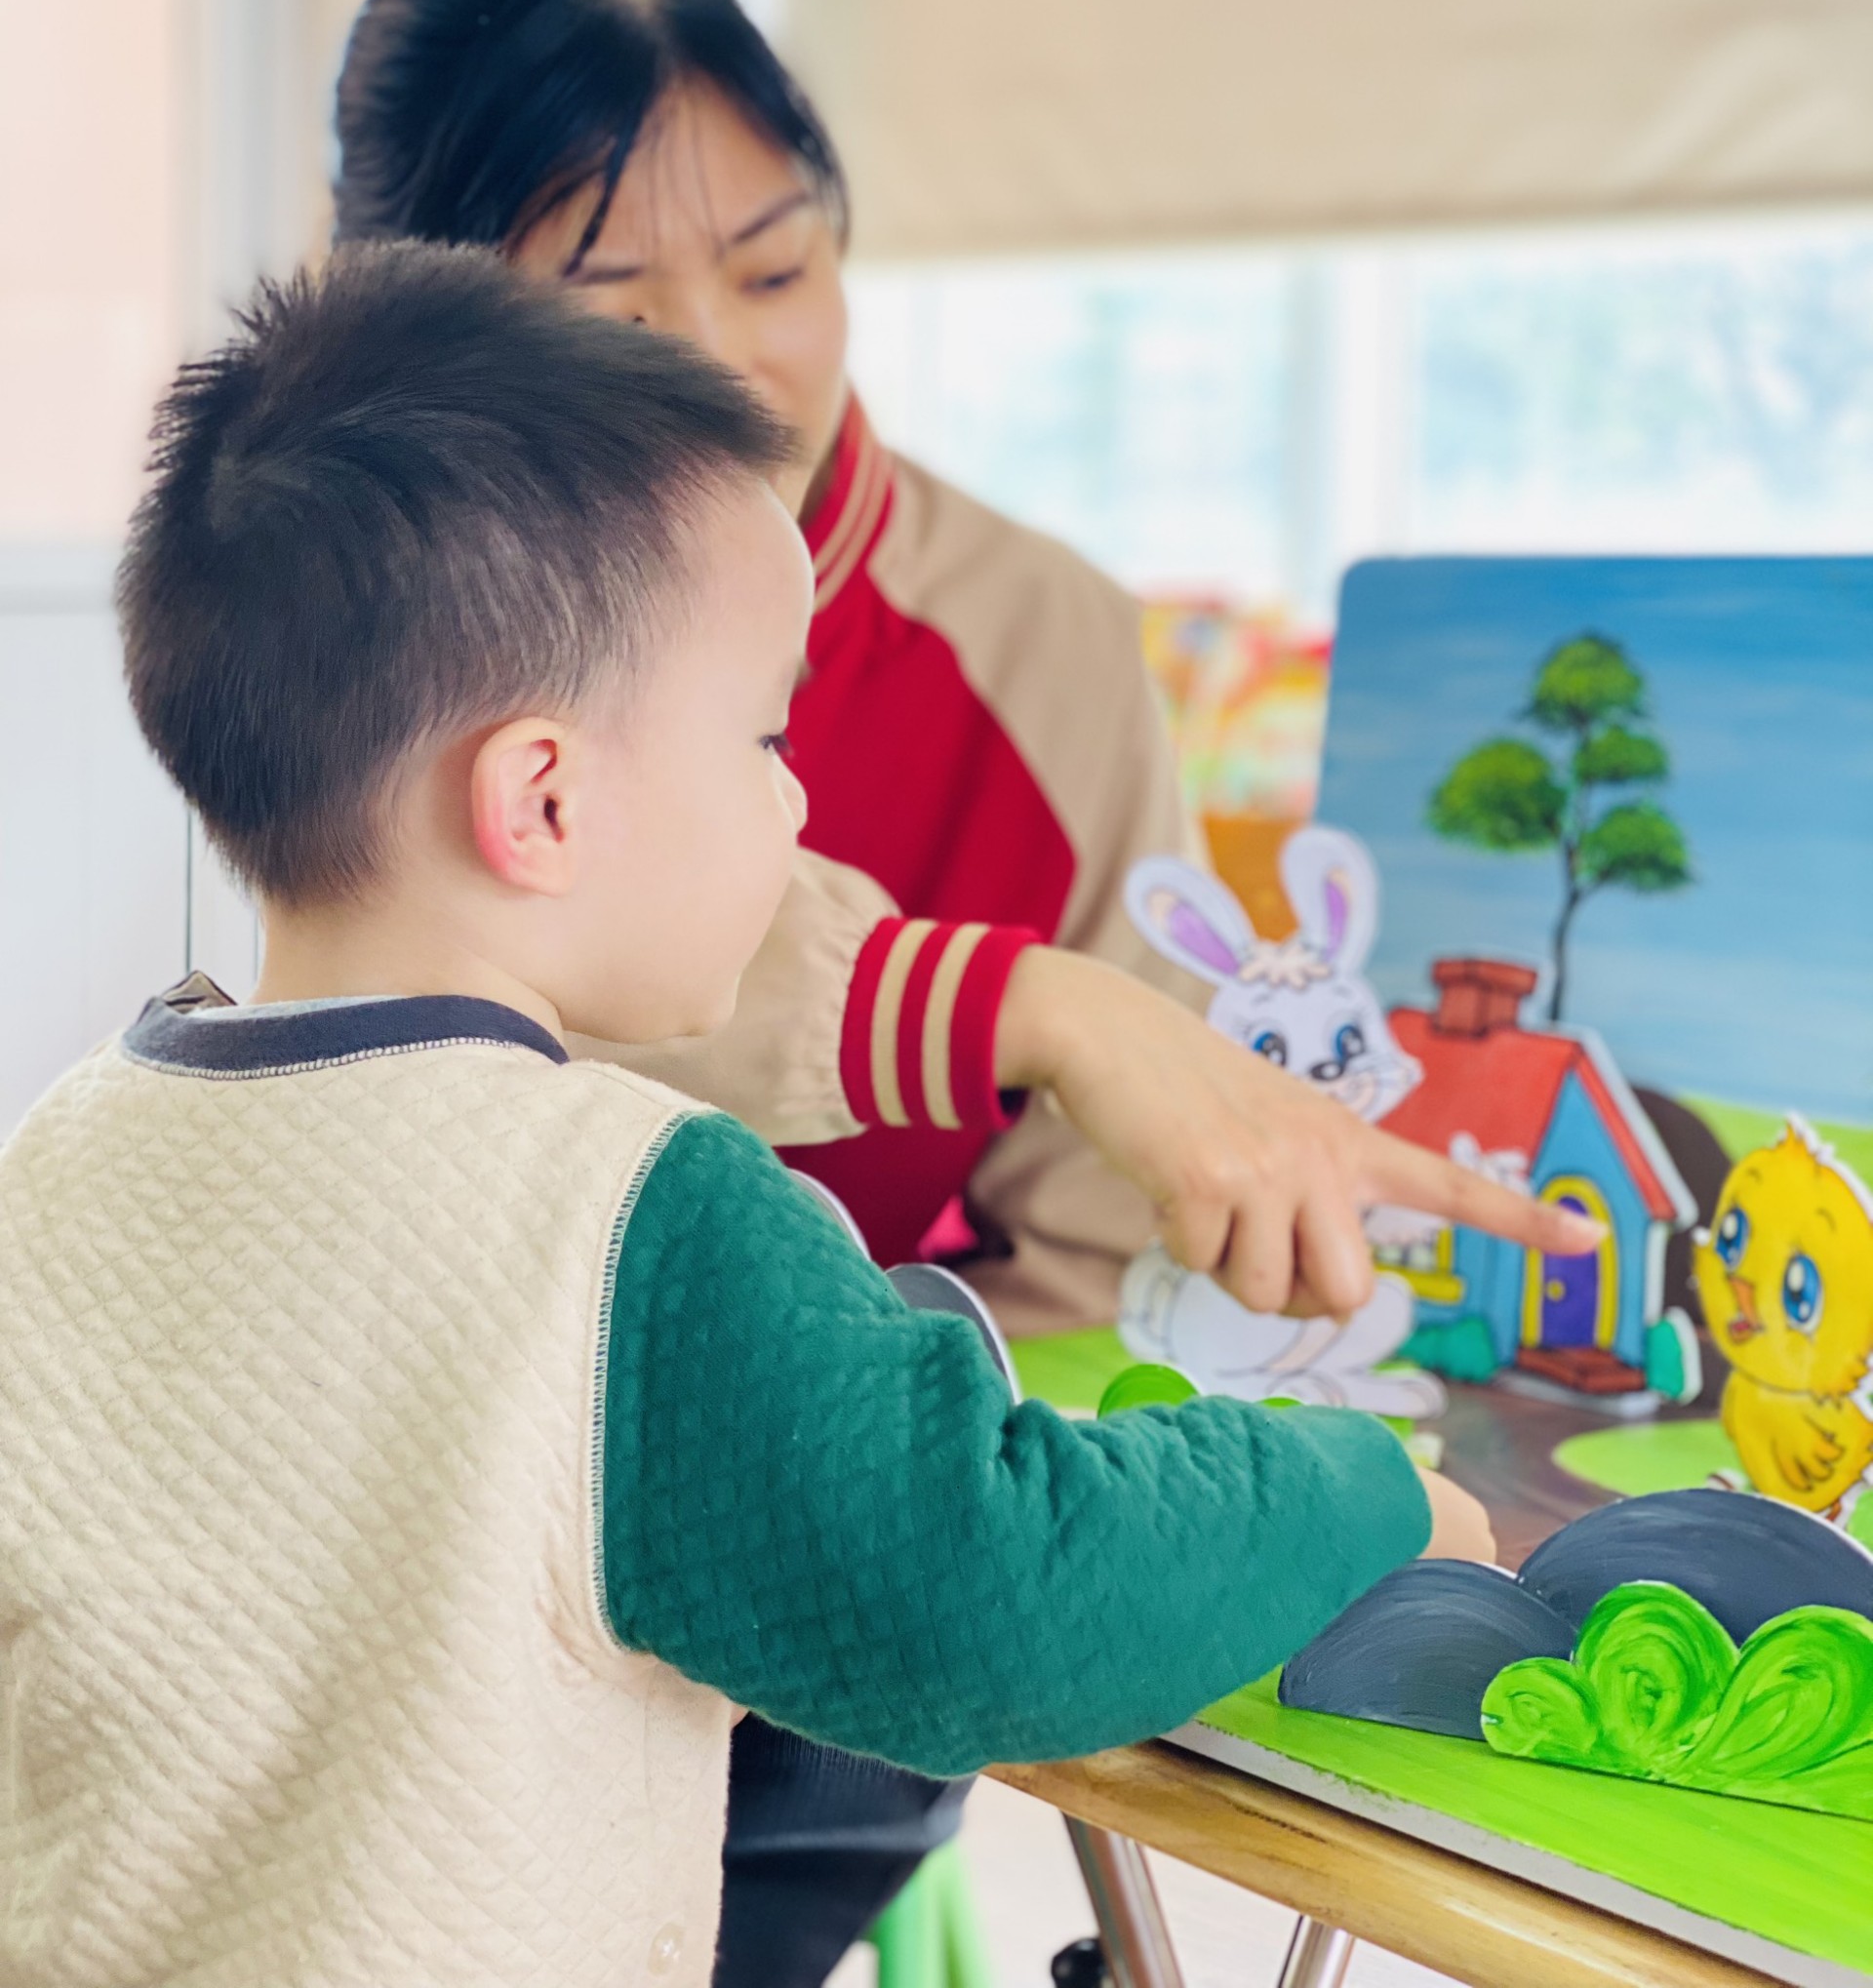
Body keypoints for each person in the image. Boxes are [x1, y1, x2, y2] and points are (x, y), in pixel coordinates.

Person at [329, 0, 1597, 1986]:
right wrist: (1009, 1000)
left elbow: (1063, 1326)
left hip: (892, 1561)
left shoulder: (1043, 648)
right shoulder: (375, 662)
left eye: (776, 268)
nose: (722, 358)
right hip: (475, 1562)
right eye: (609, 295)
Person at [0, 243, 1493, 1987]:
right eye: (767, 738)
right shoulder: (631, 1222)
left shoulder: (59, 1156)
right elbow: (998, 1590)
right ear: (542, 802)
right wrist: (1362, 1490)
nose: (797, 806)